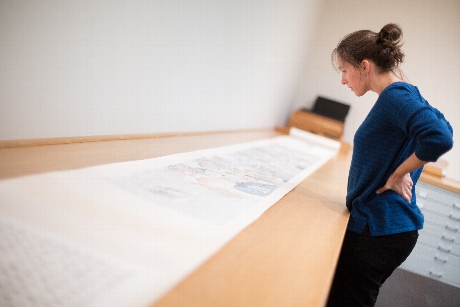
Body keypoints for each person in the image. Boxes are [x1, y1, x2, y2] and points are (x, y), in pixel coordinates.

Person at [326, 23, 454, 307]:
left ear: (364, 66)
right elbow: (444, 126)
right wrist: (404, 166)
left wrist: (400, 172)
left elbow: (440, 136)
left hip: (378, 230)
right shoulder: (407, 93)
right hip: (387, 229)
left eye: (344, 71)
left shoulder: (395, 97)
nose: (343, 80)